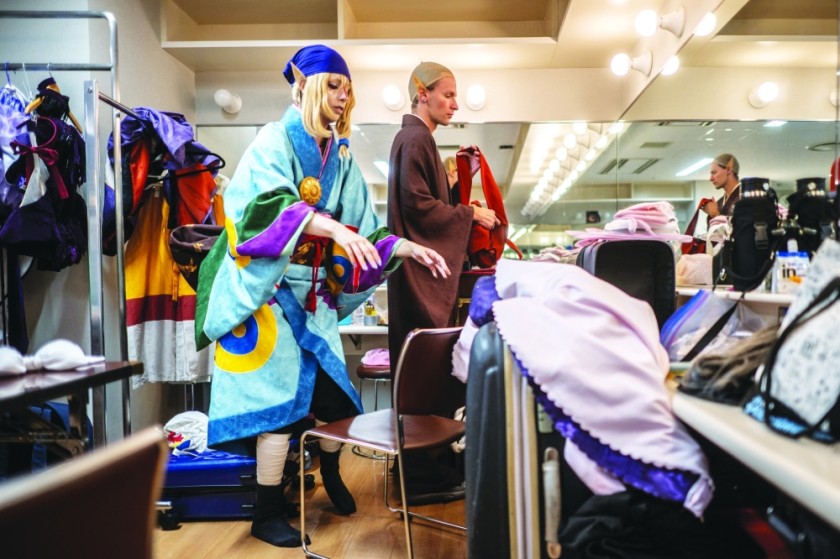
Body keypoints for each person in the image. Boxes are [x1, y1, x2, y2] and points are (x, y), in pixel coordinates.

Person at [194, 45, 450, 548]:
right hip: (266, 295)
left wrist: (407, 248)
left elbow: (366, 226)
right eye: (333, 86)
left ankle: (330, 475)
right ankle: (267, 512)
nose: (342, 97)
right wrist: (330, 228)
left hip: (314, 298)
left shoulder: (343, 156)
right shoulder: (271, 140)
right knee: (278, 412)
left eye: (347, 90)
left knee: (336, 400)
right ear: (305, 87)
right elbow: (259, 211)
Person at [386, 61, 499, 369]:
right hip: (418, 282)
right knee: (425, 380)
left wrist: (455, 188)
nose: (455, 105)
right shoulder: (416, 139)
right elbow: (418, 208)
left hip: (412, 277)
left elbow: (423, 203)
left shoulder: (416, 139)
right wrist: (471, 214)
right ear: (423, 94)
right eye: (448, 95)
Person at [702, 153, 741, 220]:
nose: (710, 178)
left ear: (728, 170)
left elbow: (743, 228)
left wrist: (715, 215)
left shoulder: (746, 199)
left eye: (714, 173)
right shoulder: (719, 204)